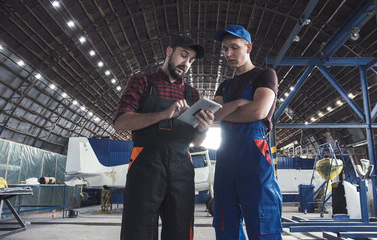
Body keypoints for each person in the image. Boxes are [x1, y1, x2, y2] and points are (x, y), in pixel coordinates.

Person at [114, 35, 214, 240]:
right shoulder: (142, 82)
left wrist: (204, 129)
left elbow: (195, 142)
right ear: (169, 52)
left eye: (191, 60)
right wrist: (163, 114)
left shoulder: (192, 95)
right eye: (183, 55)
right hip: (146, 163)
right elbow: (121, 122)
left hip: (181, 165)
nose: (186, 64)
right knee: (138, 228)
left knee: (180, 228)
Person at [212, 25, 283, 240]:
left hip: (254, 156)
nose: (228, 54)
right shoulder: (225, 85)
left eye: (234, 48)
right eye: (225, 49)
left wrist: (227, 110)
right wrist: (240, 104)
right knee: (225, 220)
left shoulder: (265, 75)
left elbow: (258, 111)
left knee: (262, 219)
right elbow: (212, 116)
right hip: (225, 157)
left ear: (248, 47)